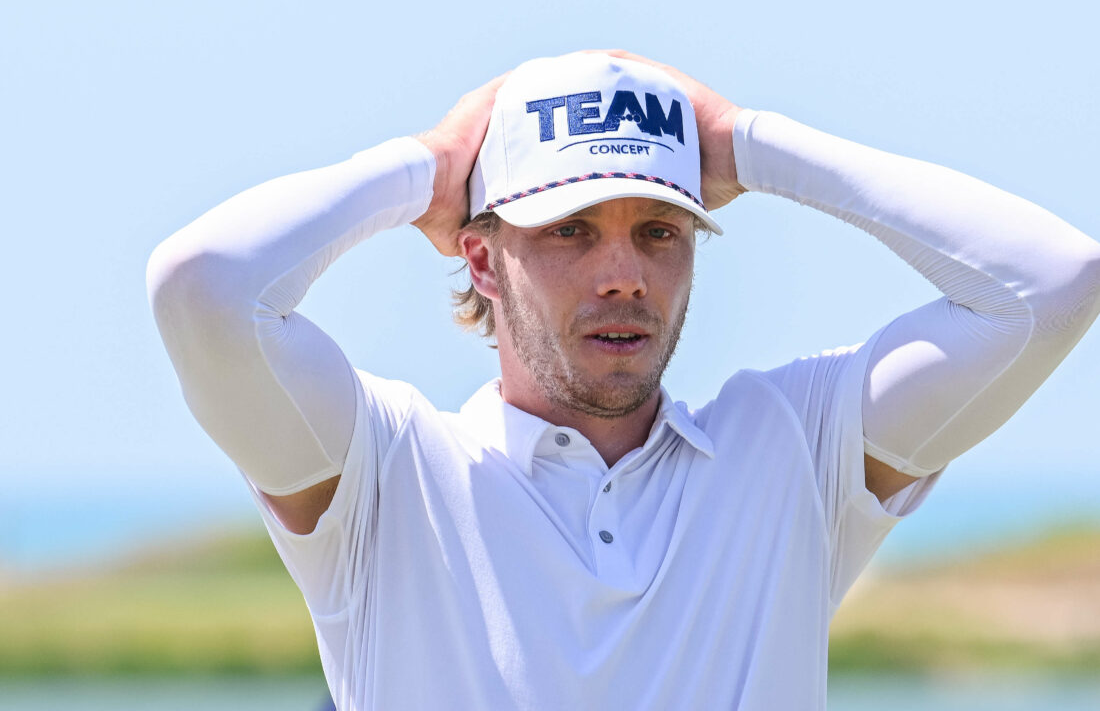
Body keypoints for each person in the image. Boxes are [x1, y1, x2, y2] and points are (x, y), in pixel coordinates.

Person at [146, 51, 1100, 709]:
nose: (624, 275)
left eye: (659, 231)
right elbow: (203, 289)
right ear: (480, 260)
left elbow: (1052, 287)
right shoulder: (383, 469)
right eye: (570, 230)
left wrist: (749, 142)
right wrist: (427, 169)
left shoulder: (792, 449)